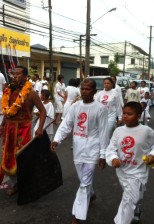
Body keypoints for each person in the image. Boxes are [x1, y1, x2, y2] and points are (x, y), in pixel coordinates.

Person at [51, 79, 110, 224]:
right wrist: (57, 139)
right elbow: (66, 124)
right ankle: (92, 195)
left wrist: (103, 155)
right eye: (82, 88)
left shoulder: (101, 108)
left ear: (94, 92)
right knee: (83, 178)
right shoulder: (75, 106)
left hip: (93, 149)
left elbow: (103, 132)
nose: (84, 91)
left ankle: (77, 216)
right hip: (78, 148)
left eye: (88, 89)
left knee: (84, 183)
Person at [106, 102, 154, 224]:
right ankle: (136, 211)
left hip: (138, 171)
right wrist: (113, 159)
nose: (125, 116)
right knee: (133, 196)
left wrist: (153, 155)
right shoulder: (118, 131)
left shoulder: (146, 131)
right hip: (122, 170)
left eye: (129, 114)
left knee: (130, 198)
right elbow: (111, 149)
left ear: (138, 116)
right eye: (124, 113)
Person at [0, 65, 46, 196]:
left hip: (24, 129)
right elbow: (7, 113)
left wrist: (40, 128)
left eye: (18, 74)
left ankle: (26, 183)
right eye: (14, 74)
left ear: (25, 76)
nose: (15, 76)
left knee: (23, 158)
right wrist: (2, 125)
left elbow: (42, 111)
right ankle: (16, 184)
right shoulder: (9, 91)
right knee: (8, 157)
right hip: (9, 129)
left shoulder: (31, 93)